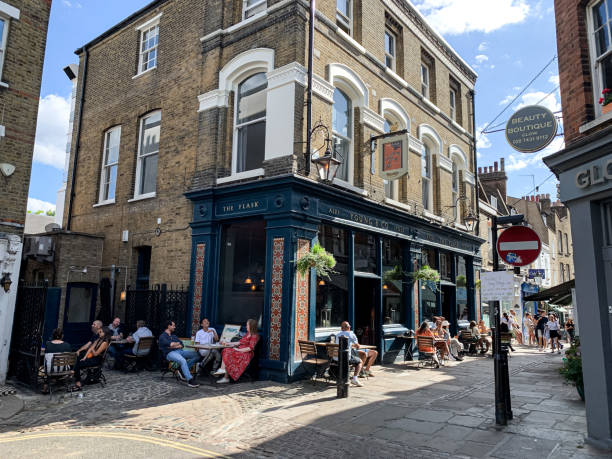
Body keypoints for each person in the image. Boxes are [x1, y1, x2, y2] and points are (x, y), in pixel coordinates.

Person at [214, 319, 260, 384]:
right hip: (239, 351)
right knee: (226, 351)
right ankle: (225, 375)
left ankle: (224, 374)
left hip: (245, 354)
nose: (246, 326)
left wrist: (239, 350)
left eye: (247, 325)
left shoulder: (254, 336)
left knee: (227, 351)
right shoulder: (247, 334)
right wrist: (228, 343)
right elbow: (239, 343)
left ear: (251, 326)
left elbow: (250, 348)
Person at [159, 320, 200, 388]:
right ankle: (190, 380)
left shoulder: (174, 336)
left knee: (197, 355)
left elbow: (181, 344)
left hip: (180, 351)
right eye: (173, 326)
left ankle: (181, 370)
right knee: (182, 360)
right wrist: (173, 345)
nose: (175, 327)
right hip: (169, 353)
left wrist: (174, 345)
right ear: (169, 326)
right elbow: (170, 344)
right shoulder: (163, 336)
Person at [41, 328, 72, 394]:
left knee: (48, 363)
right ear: (62, 336)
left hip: (50, 370)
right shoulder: (67, 345)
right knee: (59, 365)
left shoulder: (48, 344)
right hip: (64, 369)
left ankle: (47, 385)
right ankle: (58, 381)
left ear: (53, 335)